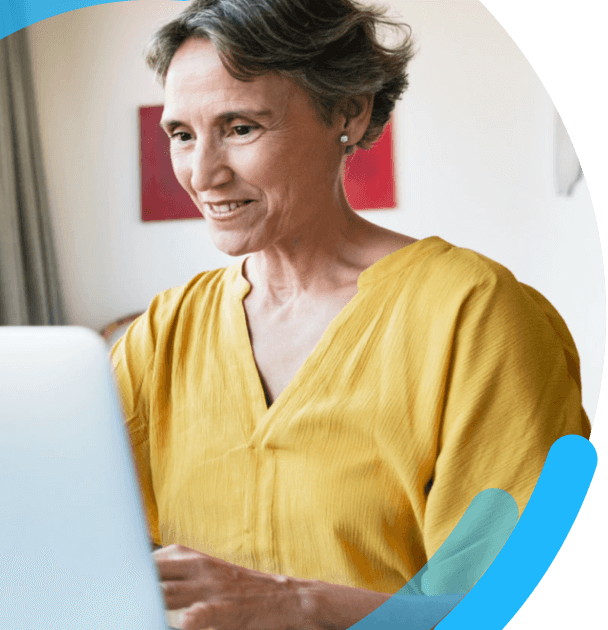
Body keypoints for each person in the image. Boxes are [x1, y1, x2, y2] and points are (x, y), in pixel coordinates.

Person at [109, 1, 592, 628]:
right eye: (182, 135)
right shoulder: (162, 333)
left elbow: (511, 596)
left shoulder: (474, 316)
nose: (203, 174)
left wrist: (295, 603)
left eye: (241, 127)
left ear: (347, 111)